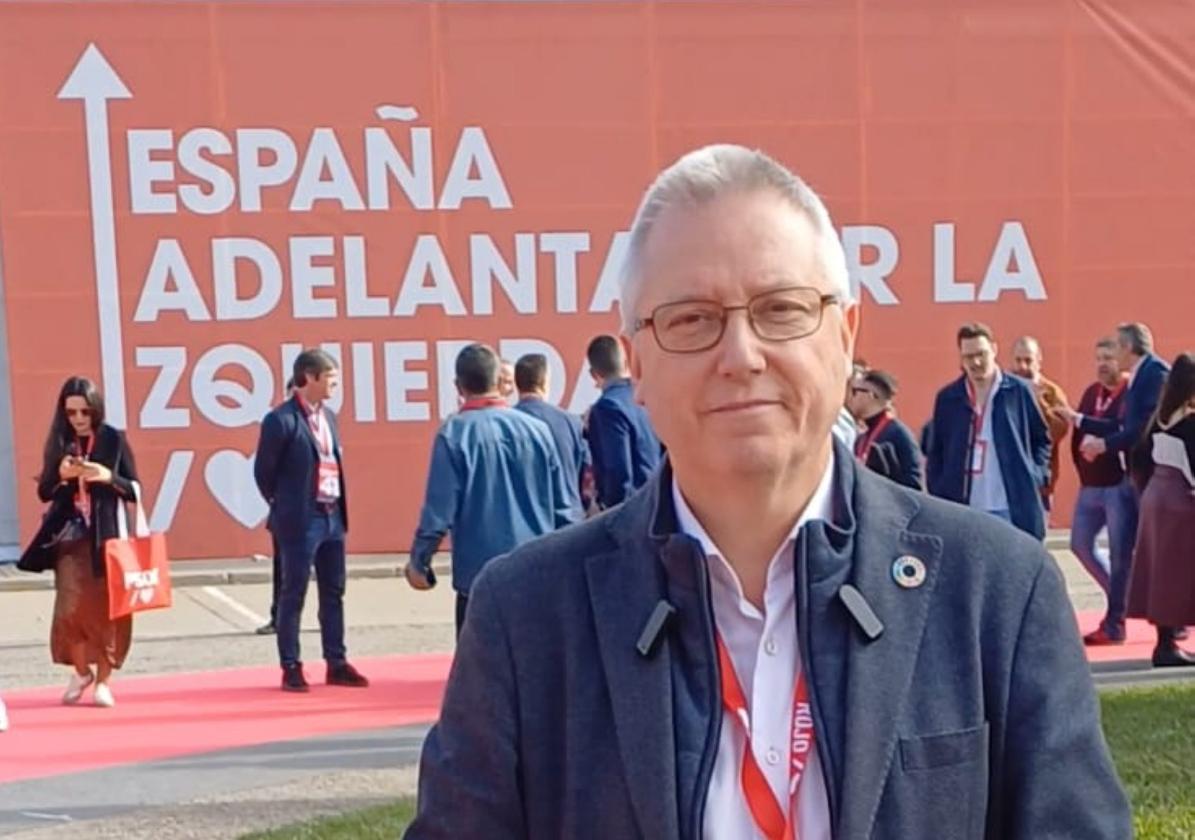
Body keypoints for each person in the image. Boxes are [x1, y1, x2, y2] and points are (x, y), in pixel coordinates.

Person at [405, 144, 1129, 839]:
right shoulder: (525, 616)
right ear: (637, 362)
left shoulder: (995, 591)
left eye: (780, 310)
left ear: (844, 337)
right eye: (691, 320)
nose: (740, 356)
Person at [404, 344, 576, 636]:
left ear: (459, 387)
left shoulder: (454, 434)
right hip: (536, 574)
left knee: (479, 675)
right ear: (499, 382)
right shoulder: (537, 430)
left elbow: (439, 512)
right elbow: (564, 508)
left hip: (479, 580)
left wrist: (420, 561)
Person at [17, 377, 140, 708]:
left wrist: (106, 476)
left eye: (85, 411)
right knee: (70, 610)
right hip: (71, 538)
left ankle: (103, 679)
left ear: (96, 409)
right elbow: (44, 490)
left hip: (107, 535)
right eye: (71, 412)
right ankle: (81, 670)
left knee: (109, 611)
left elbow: (133, 488)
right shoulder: (60, 440)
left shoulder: (113, 439)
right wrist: (62, 477)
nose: (79, 419)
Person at [253, 350, 368, 692]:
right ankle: (291, 665)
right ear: (309, 378)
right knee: (294, 592)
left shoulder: (329, 417)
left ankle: (336, 661)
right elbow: (264, 473)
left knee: (334, 591)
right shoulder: (281, 420)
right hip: (301, 520)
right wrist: (285, 505)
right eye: (329, 378)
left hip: (332, 514)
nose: (334, 384)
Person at [1056, 322, 1170, 645]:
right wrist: (1078, 420)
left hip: (1146, 478)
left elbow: (1139, 430)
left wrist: (1103, 445)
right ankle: (1145, 621)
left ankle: (1135, 623)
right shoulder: (1140, 376)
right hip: (1135, 479)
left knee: (1142, 554)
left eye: (1116, 348)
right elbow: (1122, 425)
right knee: (1127, 554)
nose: (1113, 357)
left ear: (1129, 348)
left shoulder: (1155, 374)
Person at [925, 323, 1051, 539]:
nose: (975, 362)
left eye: (981, 354)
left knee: (1015, 568)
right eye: (968, 356)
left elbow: (1042, 439)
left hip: (1011, 505)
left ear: (994, 349)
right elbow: (936, 449)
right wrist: (939, 485)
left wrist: (1035, 474)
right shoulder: (949, 398)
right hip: (966, 508)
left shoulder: (1017, 391)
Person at [1127, 351, 1195, 667]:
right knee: (1181, 575)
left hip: (1157, 498)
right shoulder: (1190, 424)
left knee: (1161, 575)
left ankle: (1165, 643)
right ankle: (1168, 646)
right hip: (1182, 502)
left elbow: (1137, 458)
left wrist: (1148, 493)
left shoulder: (1158, 419)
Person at [1067, 337, 1131, 596]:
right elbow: (1077, 434)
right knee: (1080, 545)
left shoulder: (1130, 392)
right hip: (1090, 486)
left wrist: (1081, 421)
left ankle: (1121, 609)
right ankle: (1121, 598)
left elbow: (1123, 428)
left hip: (1118, 486)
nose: (1103, 364)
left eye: (1109, 358)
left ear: (1122, 360)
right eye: (1099, 358)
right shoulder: (1092, 392)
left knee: (1121, 553)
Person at [584, 335, 661, 508]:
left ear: (594, 374)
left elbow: (616, 469)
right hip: (657, 500)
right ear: (626, 364)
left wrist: (611, 509)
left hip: (631, 509)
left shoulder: (608, 407)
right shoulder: (646, 399)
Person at [513, 353, 592, 520]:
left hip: (524, 522)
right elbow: (586, 472)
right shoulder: (571, 422)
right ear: (545, 382)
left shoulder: (506, 425)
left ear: (517, 384)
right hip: (568, 521)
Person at [1009, 336, 1069, 513]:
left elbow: (1059, 431)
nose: (1022, 367)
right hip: (1008, 478)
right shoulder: (1003, 388)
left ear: (1039, 361)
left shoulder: (1051, 392)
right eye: (1018, 360)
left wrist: (1038, 402)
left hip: (1038, 480)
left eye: (1028, 360)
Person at [257, 377, 296, 636]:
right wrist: (277, 500)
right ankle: (278, 618)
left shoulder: (324, 422)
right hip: (286, 511)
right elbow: (264, 470)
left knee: (328, 575)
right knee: (283, 568)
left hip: (322, 513)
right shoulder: (279, 422)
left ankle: (328, 621)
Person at [846, 369, 923, 489]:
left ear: (870, 396)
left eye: (854, 392)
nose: (849, 398)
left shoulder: (898, 436)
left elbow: (914, 486)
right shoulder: (862, 437)